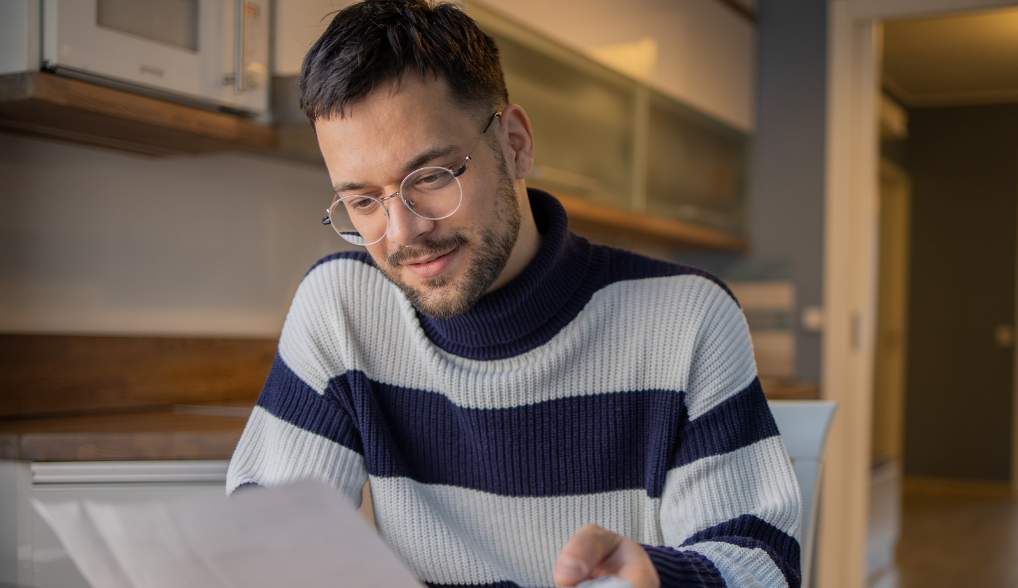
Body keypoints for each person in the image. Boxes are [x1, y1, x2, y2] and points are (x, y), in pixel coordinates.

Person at [226, 1, 802, 587]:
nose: (403, 234)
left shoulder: (687, 318)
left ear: (517, 143)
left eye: (430, 177)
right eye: (363, 201)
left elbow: (759, 564)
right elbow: (265, 539)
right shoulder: (342, 308)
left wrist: (659, 579)